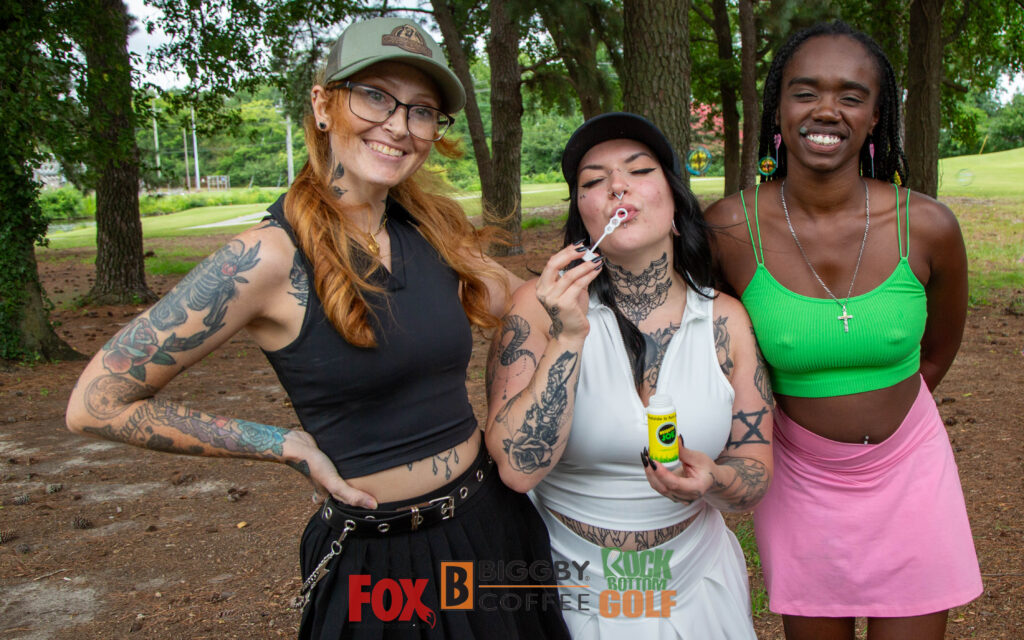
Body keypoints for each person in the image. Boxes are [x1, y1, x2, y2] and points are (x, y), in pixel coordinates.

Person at [66, 17, 570, 640]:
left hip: (491, 525)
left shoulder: (433, 229)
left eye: (421, 111)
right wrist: (282, 444)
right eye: (375, 97)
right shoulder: (266, 258)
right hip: (384, 564)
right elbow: (96, 403)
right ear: (323, 104)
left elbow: (523, 300)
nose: (399, 126)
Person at [704, 20, 982, 640]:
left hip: (911, 471)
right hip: (799, 477)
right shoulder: (728, 230)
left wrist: (880, 427)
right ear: (778, 107)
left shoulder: (928, 225)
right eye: (805, 92)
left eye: (851, 96)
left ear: (876, 116)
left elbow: (937, 354)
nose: (826, 110)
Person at [485, 112, 774, 639]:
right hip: (568, 598)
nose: (617, 185)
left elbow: (754, 471)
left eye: (639, 171)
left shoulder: (726, 320)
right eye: (594, 180)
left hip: (696, 590)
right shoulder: (538, 309)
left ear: (676, 206)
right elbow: (519, 470)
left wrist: (713, 481)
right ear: (584, 221)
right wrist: (568, 337)